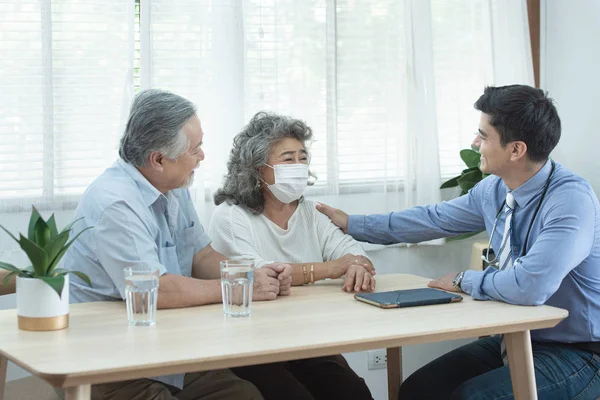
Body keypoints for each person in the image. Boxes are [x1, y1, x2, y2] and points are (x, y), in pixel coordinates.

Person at [316, 85, 600, 400]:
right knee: (418, 390)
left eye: (483, 135)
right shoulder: (493, 190)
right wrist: (352, 224)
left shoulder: (570, 199)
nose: (474, 142)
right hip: (517, 337)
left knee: (470, 397)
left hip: (578, 353)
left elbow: (532, 286)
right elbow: (431, 219)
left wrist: (464, 280)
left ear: (516, 150)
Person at [62, 89, 293, 400]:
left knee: (248, 394)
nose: (202, 156)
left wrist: (255, 271)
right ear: (158, 159)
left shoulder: (174, 185)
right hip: (113, 364)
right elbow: (156, 289)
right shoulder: (115, 203)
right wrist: (243, 286)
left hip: (167, 350)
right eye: (195, 149)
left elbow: (202, 255)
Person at [208, 111, 374, 400]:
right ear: (258, 169)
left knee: (354, 393)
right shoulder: (231, 217)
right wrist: (333, 268)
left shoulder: (311, 211)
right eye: (288, 159)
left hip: (307, 339)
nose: (299, 166)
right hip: (252, 346)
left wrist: (358, 267)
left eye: (303, 157)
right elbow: (263, 276)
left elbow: (355, 255)